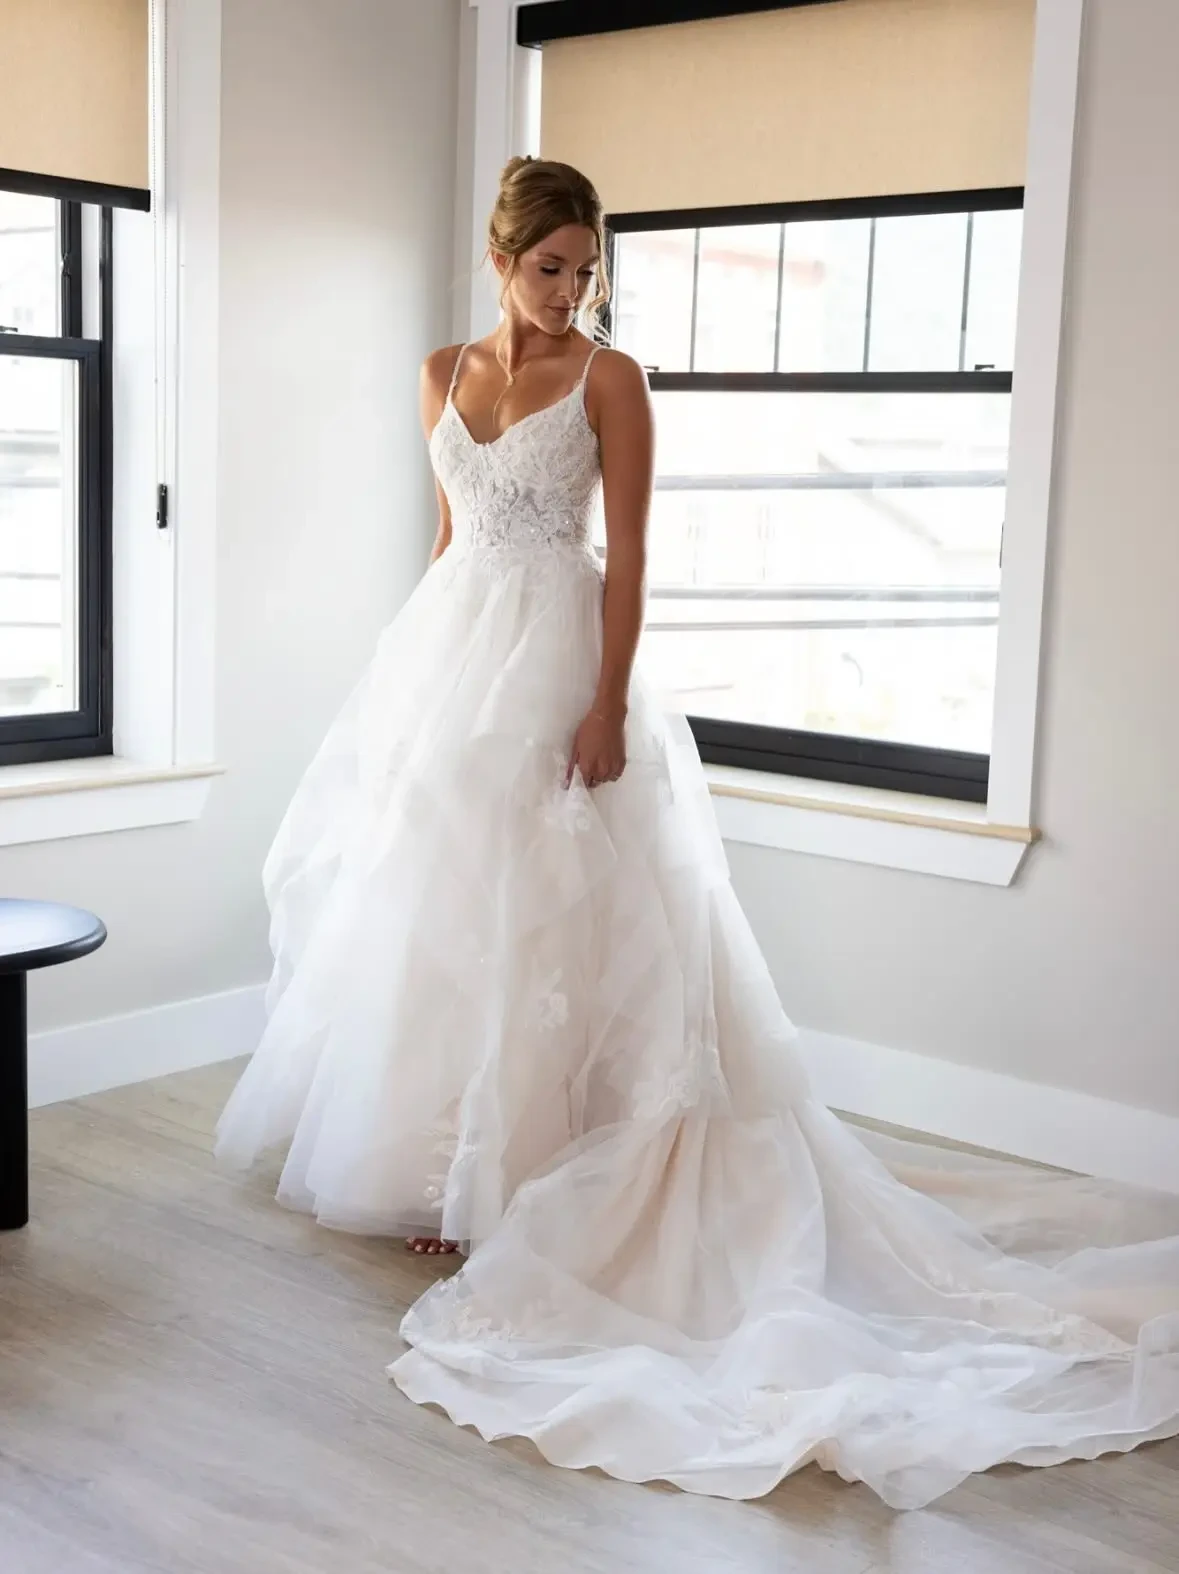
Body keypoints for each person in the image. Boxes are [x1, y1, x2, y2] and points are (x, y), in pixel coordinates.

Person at [217, 157, 1179, 1510]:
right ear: (498, 261)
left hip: (561, 660)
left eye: (586, 265)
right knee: (443, 911)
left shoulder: (609, 379)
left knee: (567, 918)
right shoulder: (440, 370)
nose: (571, 288)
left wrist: (603, 706)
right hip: (451, 662)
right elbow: (449, 536)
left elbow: (633, 555)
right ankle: (447, 1163)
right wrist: (403, 693)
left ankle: (560, 1169)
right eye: (548, 266)